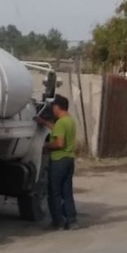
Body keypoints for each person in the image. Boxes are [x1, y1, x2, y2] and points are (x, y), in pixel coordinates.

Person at [36, 95, 78, 230]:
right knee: (67, 191)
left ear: (57, 107)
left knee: (54, 192)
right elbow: (58, 129)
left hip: (58, 161)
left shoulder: (61, 123)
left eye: (53, 106)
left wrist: (46, 146)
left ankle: (57, 222)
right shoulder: (69, 121)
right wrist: (43, 122)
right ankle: (71, 221)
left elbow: (59, 143)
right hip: (69, 160)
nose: (53, 109)